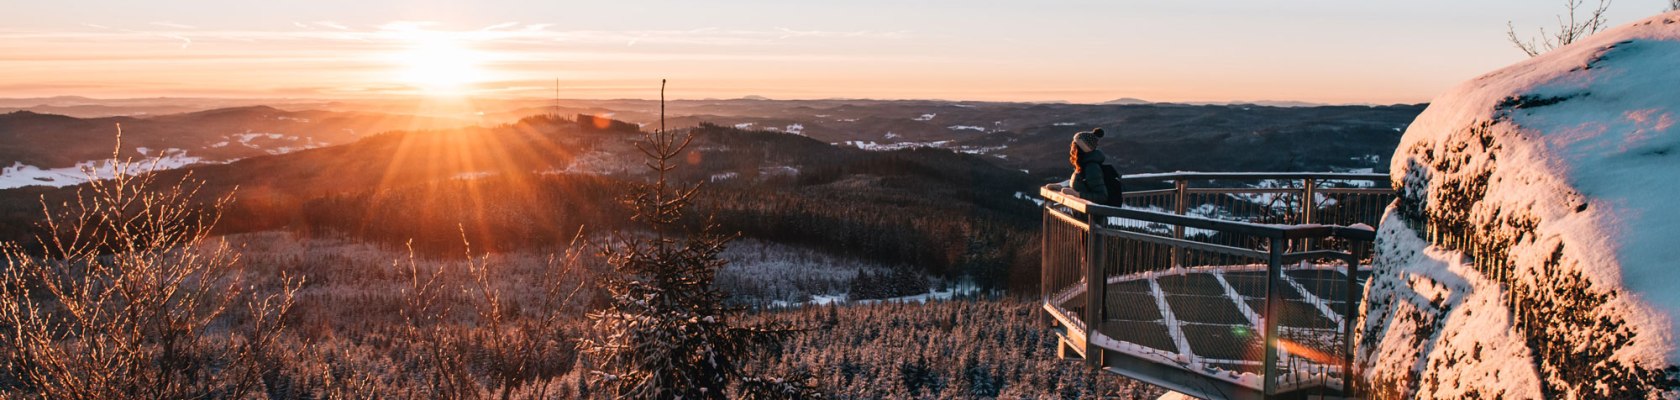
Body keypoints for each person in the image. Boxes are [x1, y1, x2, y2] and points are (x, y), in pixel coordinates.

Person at [1068, 128, 1112, 203]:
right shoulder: (1083, 165)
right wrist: (1060, 189)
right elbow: (1082, 187)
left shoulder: (1091, 168)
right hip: (1083, 214)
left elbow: (1102, 196)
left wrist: (1078, 195)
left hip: (1091, 214)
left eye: (1074, 145)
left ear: (1080, 149)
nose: (1072, 148)